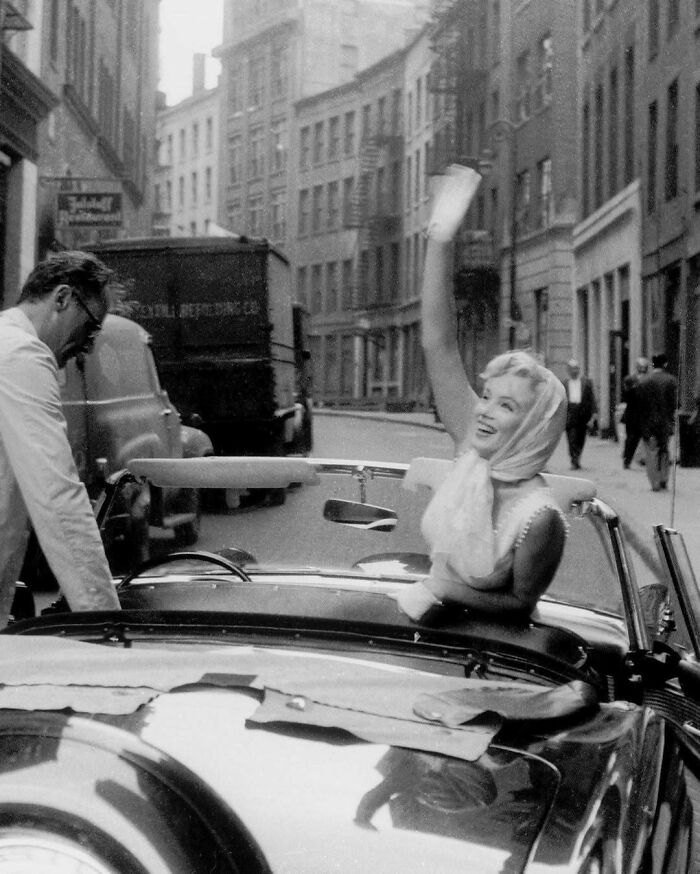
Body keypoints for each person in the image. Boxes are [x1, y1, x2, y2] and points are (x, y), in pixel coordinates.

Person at [394, 165, 569, 624]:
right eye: (487, 396)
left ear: (534, 428)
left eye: (507, 405)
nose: (485, 412)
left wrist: (440, 588)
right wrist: (440, 236)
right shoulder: (474, 446)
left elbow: (519, 606)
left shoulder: (540, 517)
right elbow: (439, 341)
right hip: (425, 632)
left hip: (492, 654)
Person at [0, 250, 121, 625]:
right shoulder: (20, 353)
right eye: (89, 328)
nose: (87, 346)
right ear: (63, 298)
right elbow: (57, 496)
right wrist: (104, 622)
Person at [637, 352, 678, 491]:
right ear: (665, 364)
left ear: (653, 364)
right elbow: (674, 404)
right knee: (664, 451)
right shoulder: (671, 380)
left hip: (648, 423)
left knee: (651, 453)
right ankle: (664, 479)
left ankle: (654, 482)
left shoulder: (643, 381)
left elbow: (640, 406)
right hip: (665, 422)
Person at [562, 359, 597, 470]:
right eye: (572, 369)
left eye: (577, 368)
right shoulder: (564, 383)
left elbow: (592, 399)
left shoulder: (587, 382)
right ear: (568, 370)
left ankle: (577, 456)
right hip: (570, 413)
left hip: (583, 413)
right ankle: (574, 460)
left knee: (581, 438)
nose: (575, 371)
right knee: (571, 438)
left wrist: (593, 415)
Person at [621, 357, 649, 469]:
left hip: (645, 414)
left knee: (646, 438)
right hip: (632, 415)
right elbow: (625, 396)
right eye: (641, 366)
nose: (643, 368)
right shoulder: (629, 379)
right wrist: (633, 388)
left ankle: (644, 459)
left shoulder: (650, 379)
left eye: (644, 366)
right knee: (631, 439)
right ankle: (627, 459)